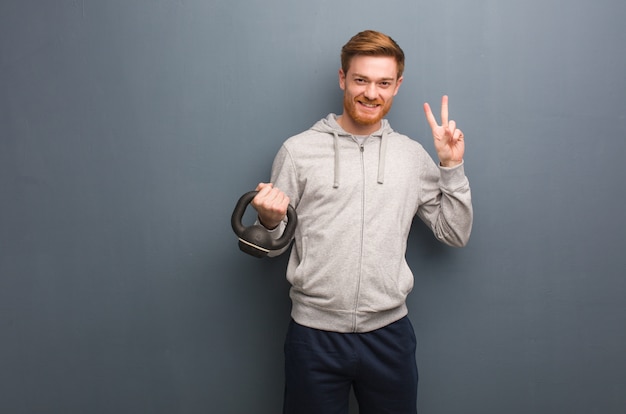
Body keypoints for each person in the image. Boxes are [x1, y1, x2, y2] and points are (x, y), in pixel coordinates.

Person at [249, 30, 473, 414]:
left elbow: (454, 233)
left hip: (390, 337)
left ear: (397, 85)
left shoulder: (411, 156)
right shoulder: (298, 151)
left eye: (384, 83)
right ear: (342, 78)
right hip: (314, 337)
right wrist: (269, 222)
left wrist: (451, 167)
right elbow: (272, 244)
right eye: (361, 80)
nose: (371, 93)